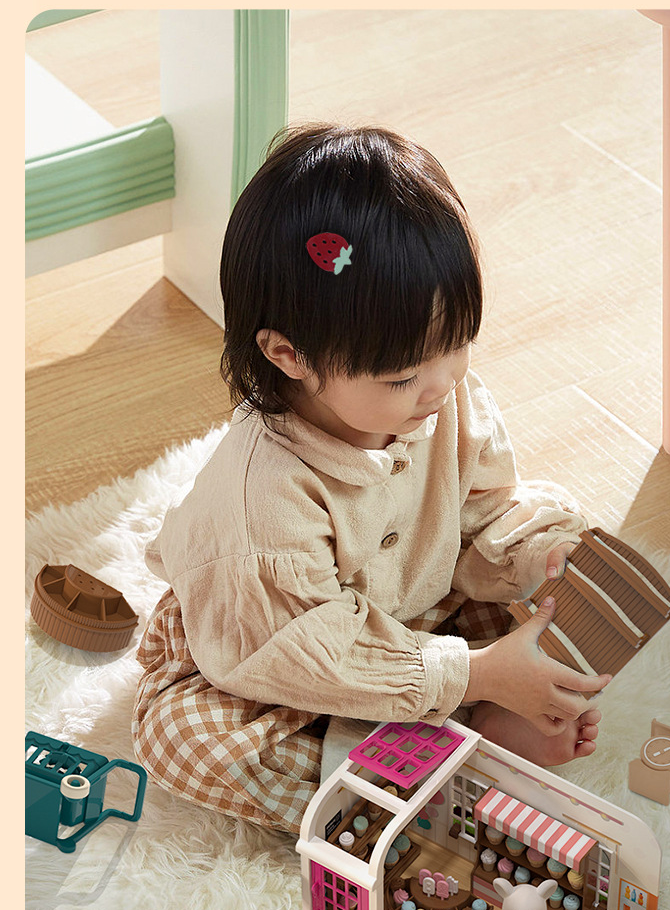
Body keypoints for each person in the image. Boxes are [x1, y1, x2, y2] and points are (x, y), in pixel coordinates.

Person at [132, 125, 609, 836]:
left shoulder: (441, 395)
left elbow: (482, 512)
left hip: (415, 614)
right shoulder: (264, 497)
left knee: (553, 606)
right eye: (403, 375)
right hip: (275, 648)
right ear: (290, 355)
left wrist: (534, 559)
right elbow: (306, 651)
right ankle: (413, 769)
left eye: (457, 345)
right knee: (184, 738)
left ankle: (458, 721)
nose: (442, 384)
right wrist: (477, 675)